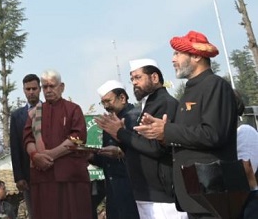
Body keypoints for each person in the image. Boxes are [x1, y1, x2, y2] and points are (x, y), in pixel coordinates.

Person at [135, 31, 238, 219]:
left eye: (178, 54)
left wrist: (167, 130)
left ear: (197, 56)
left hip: (214, 193)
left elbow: (213, 134)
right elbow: (188, 136)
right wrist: (162, 135)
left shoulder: (214, 85)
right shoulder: (191, 90)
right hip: (195, 194)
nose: (173, 59)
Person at [97, 59, 186, 219]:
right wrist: (120, 141)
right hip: (145, 191)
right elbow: (140, 147)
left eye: (138, 78)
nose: (134, 83)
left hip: (162, 195)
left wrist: (121, 133)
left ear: (154, 78)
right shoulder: (149, 105)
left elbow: (156, 148)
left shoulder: (165, 103)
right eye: (132, 79)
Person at [23, 70, 91, 219]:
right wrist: (35, 156)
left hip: (69, 177)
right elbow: (27, 138)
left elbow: (79, 138)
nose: (48, 90)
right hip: (43, 176)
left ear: (62, 87)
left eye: (52, 86)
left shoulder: (73, 109)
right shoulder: (35, 113)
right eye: (45, 86)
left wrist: (51, 154)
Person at [90, 80, 140, 219]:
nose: (106, 106)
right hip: (113, 190)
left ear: (122, 98)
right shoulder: (111, 120)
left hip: (133, 189)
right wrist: (90, 156)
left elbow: (144, 150)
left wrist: (121, 153)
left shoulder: (136, 118)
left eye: (108, 101)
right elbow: (107, 159)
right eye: (103, 103)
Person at [9, 73, 41, 218]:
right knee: (34, 212)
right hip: (27, 176)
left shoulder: (50, 110)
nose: (31, 92)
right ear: (23, 90)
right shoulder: (17, 116)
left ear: (39, 89)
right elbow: (14, 147)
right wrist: (18, 177)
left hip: (50, 171)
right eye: (28, 89)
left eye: (34, 88)